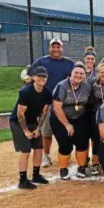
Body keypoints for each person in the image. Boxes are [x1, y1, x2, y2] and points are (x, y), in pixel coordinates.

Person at [28, 38, 75, 168]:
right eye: (53, 47)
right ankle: (46, 156)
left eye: (58, 47)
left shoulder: (69, 63)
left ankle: (65, 153)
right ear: (49, 48)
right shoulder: (41, 61)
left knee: (66, 130)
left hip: (65, 103)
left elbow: (77, 78)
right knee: (46, 131)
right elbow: (30, 76)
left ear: (62, 48)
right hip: (46, 103)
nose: (55, 49)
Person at [9, 66, 52, 189]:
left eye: (44, 76)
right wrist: (26, 131)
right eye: (39, 76)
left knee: (39, 148)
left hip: (33, 122)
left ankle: (36, 175)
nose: (41, 78)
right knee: (26, 150)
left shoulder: (47, 92)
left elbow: (44, 113)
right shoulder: (26, 92)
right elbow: (20, 114)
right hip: (18, 122)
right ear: (33, 77)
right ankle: (22, 180)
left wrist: (38, 128)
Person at [50, 63, 92, 180]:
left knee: (82, 142)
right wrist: (67, 125)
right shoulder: (62, 86)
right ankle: (63, 169)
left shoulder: (86, 86)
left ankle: (81, 168)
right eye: (76, 73)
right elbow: (57, 107)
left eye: (81, 73)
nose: (78, 75)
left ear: (84, 76)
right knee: (65, 144)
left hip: (79, 117)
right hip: (61, 118)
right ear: (71, 74)